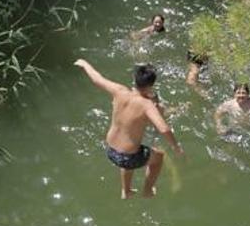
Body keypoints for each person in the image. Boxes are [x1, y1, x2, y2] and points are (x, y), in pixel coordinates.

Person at [74, 59, 184, 199]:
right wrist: (176, 147)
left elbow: (97, 79)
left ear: (134, 79)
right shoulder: (146, 105)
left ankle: (126, 191)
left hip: (110, 150)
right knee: (159, 158)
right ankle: (148, 190)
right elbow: (163, 129)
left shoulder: (119, 91)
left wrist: (85, 64)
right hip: (129, 157)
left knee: (127, 154)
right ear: (151, 86)